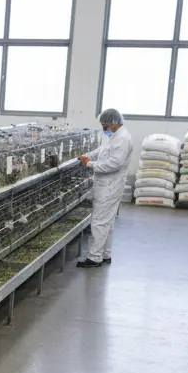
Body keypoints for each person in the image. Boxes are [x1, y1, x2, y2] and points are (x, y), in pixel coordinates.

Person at [75, 109, 134, 268]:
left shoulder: (122, 139)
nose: (104, 129)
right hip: (108, 185)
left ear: (114, 123)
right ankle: (105, 254)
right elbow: (102, 151)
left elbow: (115, 163)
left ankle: (94, 257)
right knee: (107, 222)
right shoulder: (114, 136)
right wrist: (87, 156)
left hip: (109, 186)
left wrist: (90, 164)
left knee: (99, 222)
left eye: (105, 125)